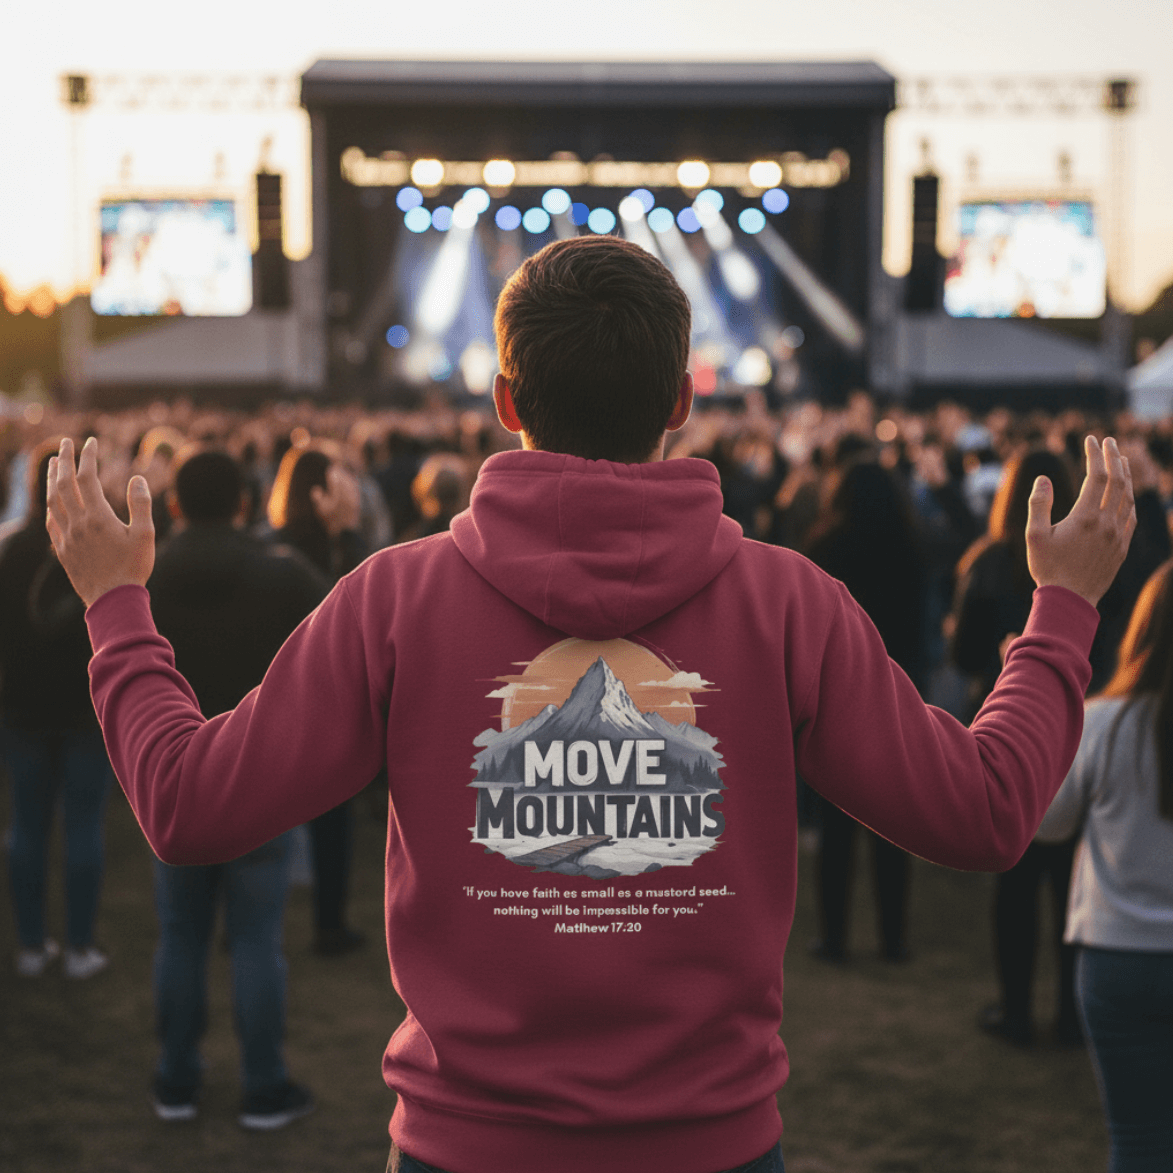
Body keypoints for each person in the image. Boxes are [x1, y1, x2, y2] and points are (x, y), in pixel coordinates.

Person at [46, 236, 1135, 1173]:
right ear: (682, 398)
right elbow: (988, 813)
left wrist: (117, 606)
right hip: (712, 1144)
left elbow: (188, 807)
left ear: (506, 400)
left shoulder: (395, 599)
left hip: (462, 1147)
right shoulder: (787, 605)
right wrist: (1064, 614)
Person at [145, 447, 327, 1127]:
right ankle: (263, 1084)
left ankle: (176, 1079)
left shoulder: (150, 575)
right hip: (260, 777)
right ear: (245, 504)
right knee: (256, 940)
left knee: (180, 935)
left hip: (174, 775)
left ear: (177, 504)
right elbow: (342, 633)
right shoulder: (278, 575)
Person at [1036, 559, 1173, 1171]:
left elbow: (1047, 824)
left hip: (1116, 954)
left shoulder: (1103, 723)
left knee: (1138, 1139)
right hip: (1119, 955)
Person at [950, 447, 1084, 1046]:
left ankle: (1018, 1009)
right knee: (1072, 879)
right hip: (1079, 723)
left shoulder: (987, 563)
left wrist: (1005, 658)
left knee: (1017, 879)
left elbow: (961, 656)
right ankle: (1071, 1014)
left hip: (1002, 724)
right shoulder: (1091, 569)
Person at [805, 456, 928, 963]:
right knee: (893, 824)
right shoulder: (910, 550)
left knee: (835, 828)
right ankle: (893, 938)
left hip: (835, 698)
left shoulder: (824, 548)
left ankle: (834, 938)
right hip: (896, 695)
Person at [1, 438, 113, 980]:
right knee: (83, 824)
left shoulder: (8, 548)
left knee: (27, 824)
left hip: (22, 706)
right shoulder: (93, 550)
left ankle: (29, 944)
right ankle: (79, 946)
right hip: (81, 707)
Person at [267, 443, 369, 955]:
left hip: (278, 701)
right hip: (325, 704)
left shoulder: (273, 542)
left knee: (267, 815)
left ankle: (248, 916)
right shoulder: (321, 551)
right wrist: (348, 530)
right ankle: (329, 924)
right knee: (332, 820)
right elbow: (355, 610)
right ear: (319, 493)